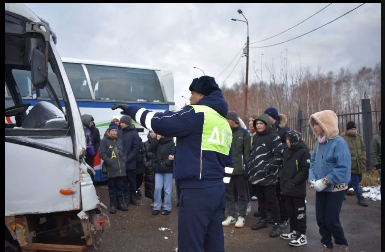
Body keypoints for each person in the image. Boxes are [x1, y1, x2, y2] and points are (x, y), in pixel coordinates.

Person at [111, 75, 234, 252]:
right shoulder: (224, 123)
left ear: (201, 95)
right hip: (217, 192)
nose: (190, 98)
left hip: (196, 190)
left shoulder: (198, 113)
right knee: (213, 243)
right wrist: (222, 190)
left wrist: (132, 110)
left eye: (192, 93)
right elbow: (229, 164)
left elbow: (160, 122)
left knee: (190, 245)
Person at [309, 110, 351, 252]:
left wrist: (325, 181)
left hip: (335, 188)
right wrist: (313, 178)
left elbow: (343, 168)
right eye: (314, 124)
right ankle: (327, 245)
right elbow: (313, 162)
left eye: (318, 124)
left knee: (332, 220)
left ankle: (342, 244)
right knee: (321, 219)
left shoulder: (340, 143)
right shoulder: (319, 143)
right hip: (320, 188)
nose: (315, 127)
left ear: (327, 125)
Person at [247, 114, 283, 238]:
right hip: (256, 175)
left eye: (261, 123)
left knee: (272, 201)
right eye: (257, 124)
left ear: (267, 124)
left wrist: (267, 168)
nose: (258, 126)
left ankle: (277, 224)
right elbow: (253, 153)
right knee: (261, 200)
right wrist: (251, 167)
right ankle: (263, 220)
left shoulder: (274, 137)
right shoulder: (256, 137)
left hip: (269, 176)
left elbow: (278, 156)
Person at [279, 130, 310, 247]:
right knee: (290, 211)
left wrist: (294, 182)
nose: (286, 141)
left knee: (299, 212)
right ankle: (294, 231)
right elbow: (283, 167)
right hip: (286, 188)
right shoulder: (286, 151)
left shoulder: (304, 152)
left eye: (288, 139)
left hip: (297, 189)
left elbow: (305, 170)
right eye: (286, 139)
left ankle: (302, 235)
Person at [222, 111, 251, 228]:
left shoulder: (244, 134)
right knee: (229, 194)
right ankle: (231, 215)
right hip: (227, 169)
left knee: (242, 194)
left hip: (240, 169)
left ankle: (241, 216)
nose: (226, 121)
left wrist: (246, 168)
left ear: (234, 120)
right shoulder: (225, 133)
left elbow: (247, 153)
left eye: (228, 119)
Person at [264, 107, 290, 228]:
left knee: (281, 192)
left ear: (273, 118)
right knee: (272, 193)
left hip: (281, 164)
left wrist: (278, 147)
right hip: (269, 164)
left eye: (268, 117)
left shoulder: (284, 129)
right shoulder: (267, 129)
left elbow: (289, 144)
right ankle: (274, 215)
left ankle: (284, 217)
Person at [99, 122, 128, 214]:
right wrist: (109, 162)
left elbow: (122, 152)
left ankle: (120, 204)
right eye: (112, 130)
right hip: (111, 168)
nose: (114, 132)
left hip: (120, 169)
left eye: (115, 130)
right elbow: (102, 154)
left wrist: (124, 160)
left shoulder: (119, 140)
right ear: (109, 131)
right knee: (112, 187)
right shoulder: (104, 141)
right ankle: (113, 205)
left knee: (120, 187)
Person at [342, 121, 368, 207]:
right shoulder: (343, 138)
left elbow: (363, 148)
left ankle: (342, 190)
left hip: (359, 162)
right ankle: (360, 198)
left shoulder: (358, 137)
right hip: (350, 163)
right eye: (352, 129)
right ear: (348, 129)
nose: (354, 131)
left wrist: (363, 156)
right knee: (355, 181)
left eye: (354, 129)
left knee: (359, 179)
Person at [149, 134, 175, 215]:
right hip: (158, 169)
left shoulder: (172, 143)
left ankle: (167, 207)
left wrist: (165, 162)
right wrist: (156, 139)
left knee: (167, 189)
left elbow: (172, 154)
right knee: (157, 188)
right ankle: (157, 207)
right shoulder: (157, 142)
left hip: (168, 169)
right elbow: (150, 149)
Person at [119, 115, 142, 206]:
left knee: (132, 181)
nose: (120, 124)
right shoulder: (119, 133)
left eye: (122, 122)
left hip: (130, 162)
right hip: (121, 162)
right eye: (120, 122)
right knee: (124, 181)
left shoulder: (134, 133)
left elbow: (136, 148)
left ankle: (133, 196)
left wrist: (128, 158)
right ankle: (126, 197)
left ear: (127, 123)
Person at [143, 130, 158, 207]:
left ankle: (160, 199)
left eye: (153, 132)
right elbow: (144, 155)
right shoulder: (145, 143)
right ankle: (153, 199)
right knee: (150, 184)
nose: (152, 134)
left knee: (158, 184)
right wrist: (146, 164)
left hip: (157, 166)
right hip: (149, 166)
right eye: (150, 132)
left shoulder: (159, 142)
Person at [81, 114, 96, 181]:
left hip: (81, 155)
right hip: (88, 156)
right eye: (91, 122)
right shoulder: (87, 131)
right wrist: (93, 153)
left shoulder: (80, 129)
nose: (92, 124)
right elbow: (89, 145)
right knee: (90, 174)